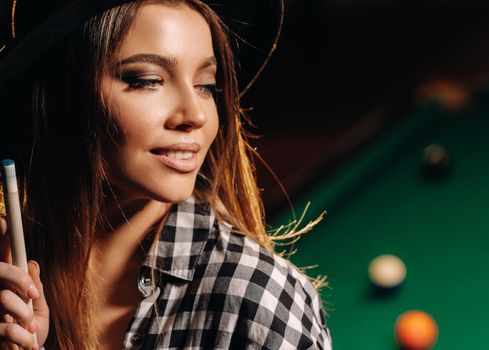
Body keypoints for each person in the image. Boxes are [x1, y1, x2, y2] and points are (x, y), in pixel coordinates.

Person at [0, 0, 331, 349]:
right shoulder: (12, 277)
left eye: (206, 85)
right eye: (148, 81)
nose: (195, 114)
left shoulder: (257, 299)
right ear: (60, 96)